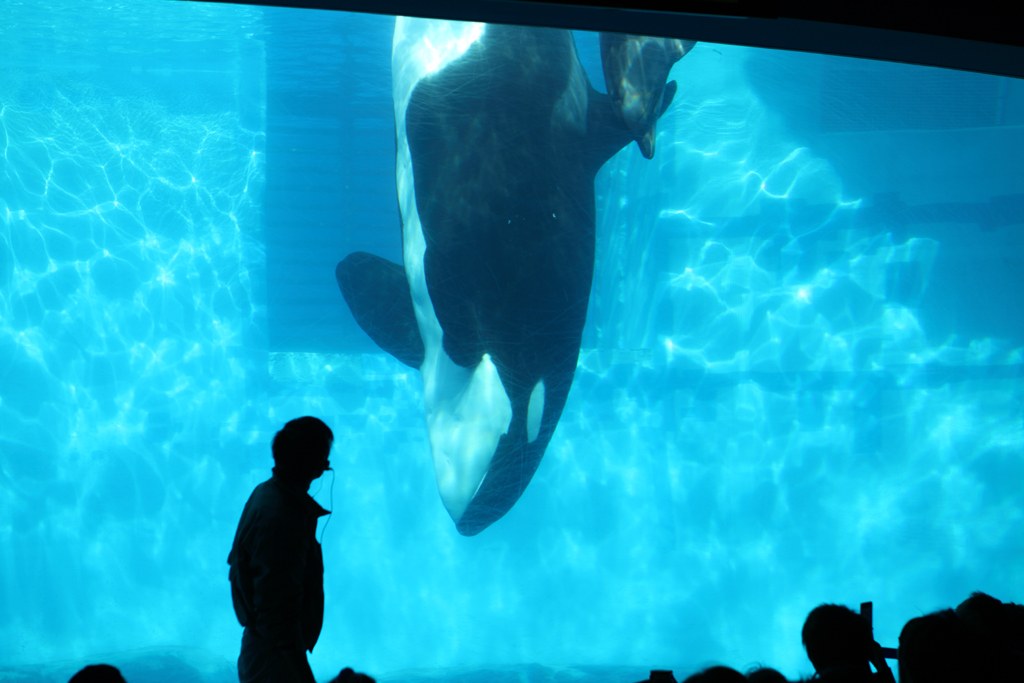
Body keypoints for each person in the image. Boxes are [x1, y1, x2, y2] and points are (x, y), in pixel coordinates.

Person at [228, 416, 334, 683]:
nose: (326, 467)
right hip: (275, 663)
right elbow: (277, 617)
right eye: (323, 459)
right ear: (314, 464)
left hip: (263, 653)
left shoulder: (266, 493)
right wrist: (304, 677)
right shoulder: (283, 517)